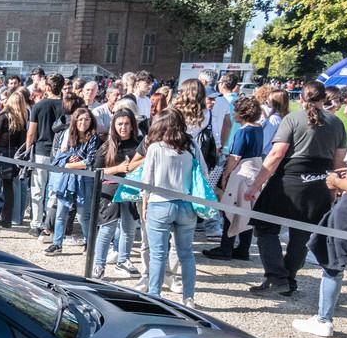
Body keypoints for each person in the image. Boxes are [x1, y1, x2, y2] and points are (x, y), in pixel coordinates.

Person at [244, 80, 347, 296]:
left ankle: (276, 277)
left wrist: (256, 184)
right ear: (324, 99)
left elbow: (276, 154)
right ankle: (289, 279)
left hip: (288, 181)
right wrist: (335, 191)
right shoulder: (337, 122)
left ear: (300, 98)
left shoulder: (292, 119)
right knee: (301, 234)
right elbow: (340, 163)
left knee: (265, 227)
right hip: (318, 182)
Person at [296, 79, 347, 336]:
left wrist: (334, 180)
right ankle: (322, 318)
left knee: (337, 263)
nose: (346, 110)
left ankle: (323, 320)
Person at [140, 109, 198, 307]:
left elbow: (146, 182)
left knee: (158, 254)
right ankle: (189, 297)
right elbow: (203, 174)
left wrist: (145, 206)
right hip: (186, 203)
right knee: (186, 253)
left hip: (160, 202)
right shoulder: (191, 145)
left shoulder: (155, 147)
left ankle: (155, 295)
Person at [203, 96, 265, 261]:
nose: (233, 114)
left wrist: (225, 176)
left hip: (242, 172)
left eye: (236, 111)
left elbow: (234, 157)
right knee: (247, 211)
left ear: (243, 113)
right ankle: (243, 248)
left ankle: (226, 248)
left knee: (231, 208)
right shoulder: (259, 128)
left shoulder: (243, 132)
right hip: (255, 170)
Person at [91, 109, 143, 278]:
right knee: (107, 228)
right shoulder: (107, 145)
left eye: (127, 123)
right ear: (114, 125)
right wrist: (118, 169)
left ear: (133, 125)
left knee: (129, 227)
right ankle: (99, 264)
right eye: (120, 124)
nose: (123, 127)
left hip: (132, 190)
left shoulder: (140, 144)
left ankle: (123, 260)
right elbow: (97, 171)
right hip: (110, 190)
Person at [44, 106, 98, 254]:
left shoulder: (93, 137)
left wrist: (69, 164)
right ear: (75, 120)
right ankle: (57, 243)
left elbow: (90, 160)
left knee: (82, 214)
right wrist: (67, 159)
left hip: (84, 178)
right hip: (67, 178)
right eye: (80, 119)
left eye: (87, 119)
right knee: (61, 211)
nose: (83, 122)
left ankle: (89, 242)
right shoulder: (69, 134)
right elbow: (59, 157)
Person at [0, 89, 29, 228]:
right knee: (9, 189)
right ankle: (6, 220)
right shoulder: (23, 118)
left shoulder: (4, 116)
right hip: (14, 156)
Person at [25, 74, 65, 237]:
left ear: (48, 88)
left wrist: (28, 151)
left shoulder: (39, 106)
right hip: (60, 153)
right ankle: (49, 224)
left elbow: (31, 133)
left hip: (41, 150)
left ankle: (35, 223)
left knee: (37, 189)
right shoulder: (67, 106)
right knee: (54, 191)